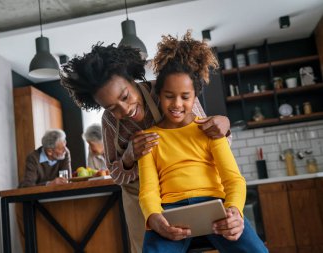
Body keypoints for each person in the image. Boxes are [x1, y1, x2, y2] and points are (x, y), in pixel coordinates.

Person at [60, 42, 231, 253]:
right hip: (143, 200)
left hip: (189, 189)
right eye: (112, 107)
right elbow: (115, 174)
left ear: (132, 80)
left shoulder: (169, 91)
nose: (125, 109)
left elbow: (213, 143)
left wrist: (224, 125)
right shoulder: (110, 122)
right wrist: (129, 157)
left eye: (125, 97)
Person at [138, 31, 268, 253]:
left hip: (216, 209)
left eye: (185, 96)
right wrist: (153, 217)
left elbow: (234, 180)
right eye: (169, 95)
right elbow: (148, 190)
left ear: (194, 96)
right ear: (159, 94)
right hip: (171, 213)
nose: (176, 104)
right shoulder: (148, 139)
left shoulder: (210, 130)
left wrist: (234, 211)